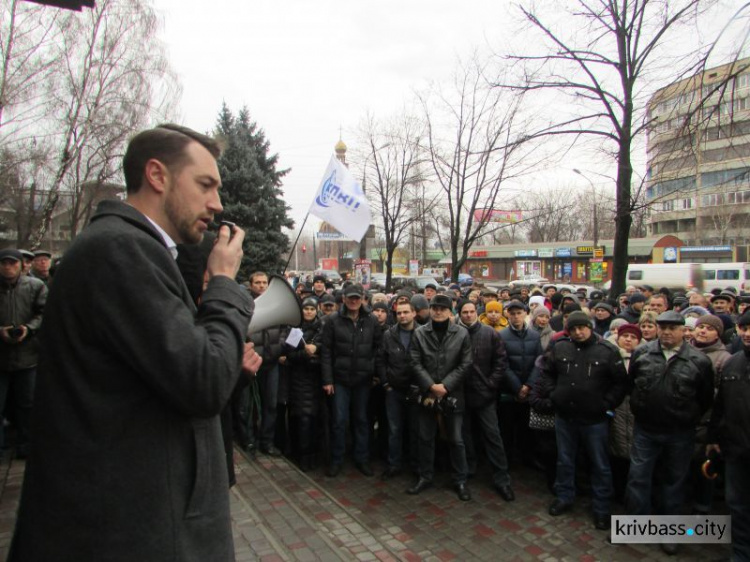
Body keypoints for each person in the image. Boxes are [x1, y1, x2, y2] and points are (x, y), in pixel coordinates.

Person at [9, 124, 261, 562]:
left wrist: (224, 358)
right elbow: (199, 383)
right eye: (205, 185)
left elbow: (166, 378)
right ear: (158, 175)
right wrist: (223, 283)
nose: (217, 204)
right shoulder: (120, 250)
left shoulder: (132, 249)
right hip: (125, 530)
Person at [626, 310, 714, 556]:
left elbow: (705, 398)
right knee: (638, 477)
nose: (666, 332)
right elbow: (631, 384)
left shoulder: (699, 361)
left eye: (672, 328)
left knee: (674, 483)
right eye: (662, 327)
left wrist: (687, 416)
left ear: (684, 331)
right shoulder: (643, 353)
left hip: (680, 432)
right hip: (645, 428)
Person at [535, 311, 628, 531]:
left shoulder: (607, 351)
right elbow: (547, 373)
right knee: (565, 460)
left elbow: (620, 384)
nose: (578, 332)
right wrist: (554, 394)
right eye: (574, 329)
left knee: (599, 464)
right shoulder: (561, 348)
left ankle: (601, 506)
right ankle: (564, 496)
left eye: (582, 328)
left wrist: (606, 404)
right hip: (565, 416)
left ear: (590, 327)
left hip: (594, 419)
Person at [407, 294, 473, 501]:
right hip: (428, 394)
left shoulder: (461, 334)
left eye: (442, 308)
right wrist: (430, 385)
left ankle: (460, 480)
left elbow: (466, 363)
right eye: (434, 307)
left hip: (452, 393)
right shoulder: (420, 333)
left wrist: (445, 385)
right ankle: (425, 476)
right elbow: (415, 361)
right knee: (425, 437)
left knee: (456, 439)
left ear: (449, 311)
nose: (438, 311)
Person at [321, 283, 383, 478]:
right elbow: (326, 352)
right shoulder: (333, 320)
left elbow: (378, 348)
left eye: (357, 297)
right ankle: (337, 460)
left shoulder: (371, 320)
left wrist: (374, 372)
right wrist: (327, 379)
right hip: (339, 379)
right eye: (351, 298)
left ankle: (362, 459)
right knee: (339, 421)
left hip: (363, 380)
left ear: (363, 298)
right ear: (344, 299)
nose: (354, 301)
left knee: (362, 420)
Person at [457, 300, 515, 501]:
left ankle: (502, 478)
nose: (468, 315)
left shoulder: (490, 333)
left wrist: (491, 384)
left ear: (476, 313)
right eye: (464, 312)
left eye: (472, 311)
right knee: (464, 436)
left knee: (493, 436)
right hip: (461, 394)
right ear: (460, 314)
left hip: (485, 394)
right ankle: (468, 468)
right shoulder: (454, 333)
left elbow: (501, 362)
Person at [707, 311, 750, 562]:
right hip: (736, 451)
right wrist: (714, 437)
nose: (747, 333)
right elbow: (720, 405)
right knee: (738, 506)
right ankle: (741, 553)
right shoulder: (733, 362)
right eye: (744, 328)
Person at [0, 249, 48, 460]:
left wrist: (28, 329)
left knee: (27, 404)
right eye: (4, 263)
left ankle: (27, 446)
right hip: (1, 357)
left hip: (28, 355)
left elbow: (44, 313)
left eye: (12, 263)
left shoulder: (35, 286)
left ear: (20, 265)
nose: (8, 267)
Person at [380, 301, 419, 480]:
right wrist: (386, 382)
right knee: (394, 429)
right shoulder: (389, 334)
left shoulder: (422, 333)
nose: (402, 316)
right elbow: (381, 359)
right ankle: (394, 464)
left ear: (414, 313)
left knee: (415, 429)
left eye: (406, 312)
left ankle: (415, 465)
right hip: (394, 389)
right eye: (399, 313)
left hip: (416, 389)